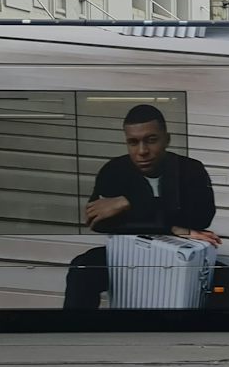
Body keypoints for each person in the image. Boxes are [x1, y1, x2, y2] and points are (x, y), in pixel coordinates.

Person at [64, 104, 220, 310]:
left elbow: (201, 217)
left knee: (227, 279)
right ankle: (76, 336)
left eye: (151, 140)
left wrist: (128, 203)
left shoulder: (190, 169)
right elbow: (100, 222)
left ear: (167, 139)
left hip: (181, 253)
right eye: (133, 142)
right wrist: (173, 226)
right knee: (82, 268)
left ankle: (205, 339)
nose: (142, 151)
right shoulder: (114, 170)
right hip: (128, 252)